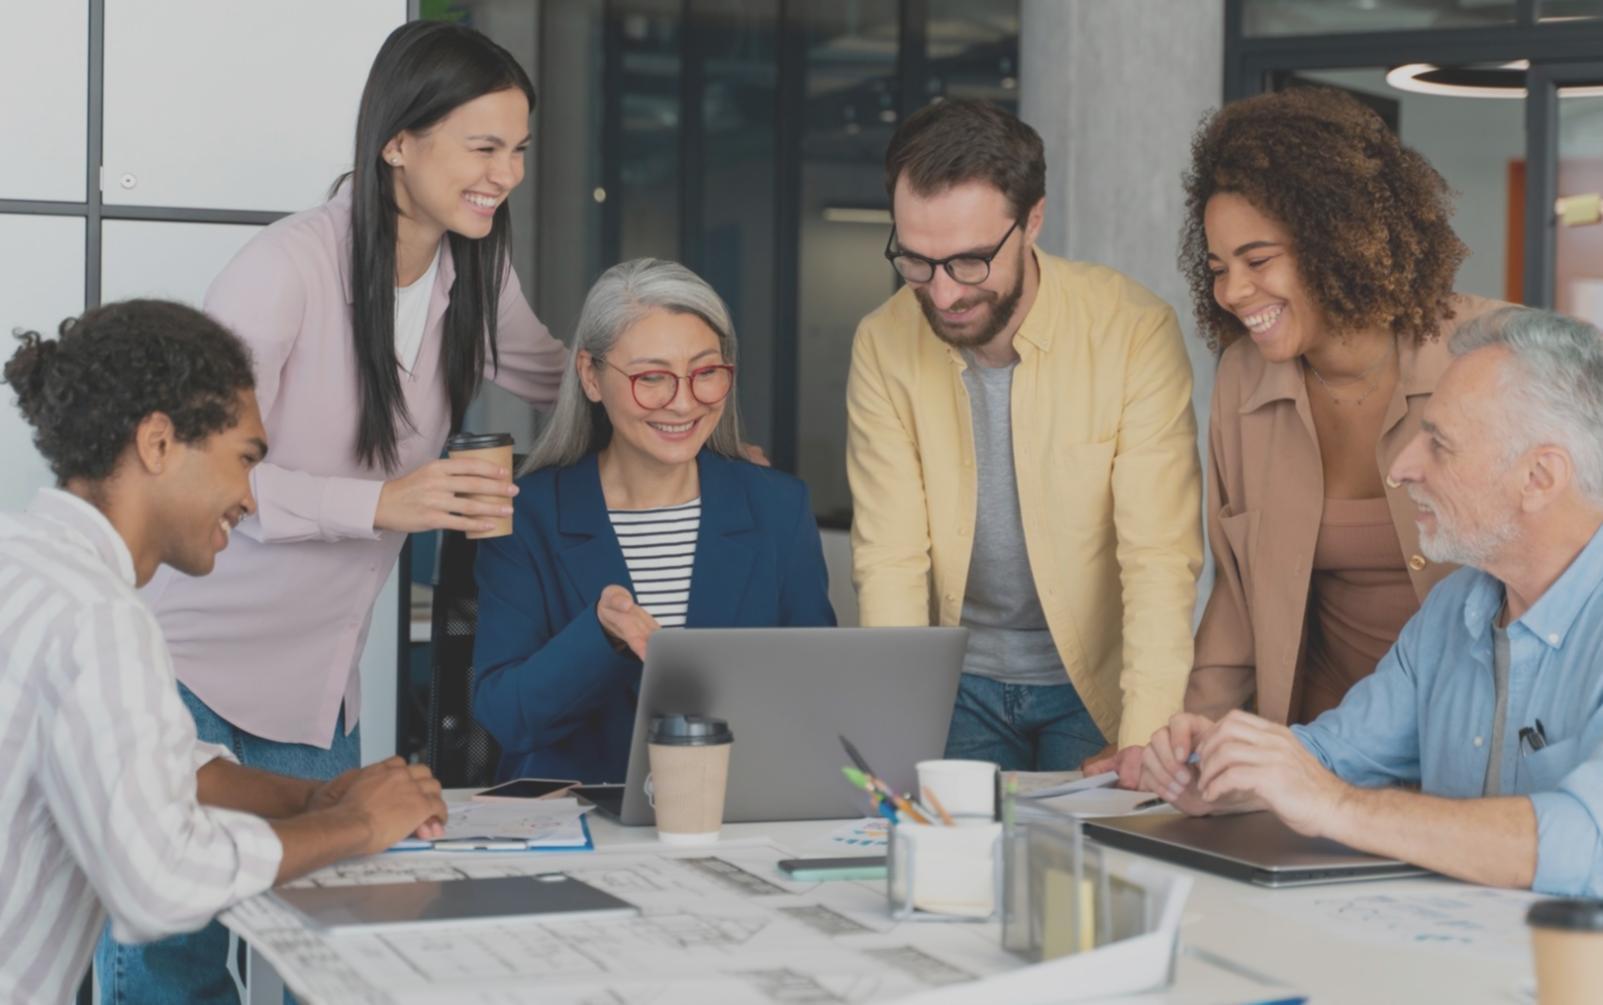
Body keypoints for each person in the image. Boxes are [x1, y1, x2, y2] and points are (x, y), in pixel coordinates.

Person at [99, 21, 567, 1002]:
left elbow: (561, 378)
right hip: (189, 676)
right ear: (398, 141)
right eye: (484, 147)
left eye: (519, 149)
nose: (507, 174)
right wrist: (381, 502)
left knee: (323, 960)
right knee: (172, 968)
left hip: (319, 691)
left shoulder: (474, 275)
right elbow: (188, 467)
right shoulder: (287, 268)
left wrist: (668, 391)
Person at [0, 301, 449, 1005]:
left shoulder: (26, 561)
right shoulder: (99, 616)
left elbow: (163, 767)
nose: (248, 496)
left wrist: (317, 795)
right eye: (244, 459)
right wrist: (355, 824)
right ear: (157, 444)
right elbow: (160, 882)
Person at [1142, 306, 1603, 896]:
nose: (1402, 467)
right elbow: (1333, 756)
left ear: (1540, 478)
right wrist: (1223, 769)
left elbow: (1588, 842)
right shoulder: (1454, 608)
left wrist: (1333, 804)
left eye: (1440, 444)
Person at [847, 99, 1202, 773]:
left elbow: (1158, 556)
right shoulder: (883, 341)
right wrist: (893, 730)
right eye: (915, 261)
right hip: (956, 687)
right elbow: (889, 560)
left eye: (969, 262)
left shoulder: (1132, 331)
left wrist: (1144, 736)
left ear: (1032, 220)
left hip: (1091, 687)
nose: (942, 293)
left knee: (1081, 871)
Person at [1177, 87, 1501, 736]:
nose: (1233, 291)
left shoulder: (1496, 358)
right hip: (1320, 747)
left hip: (1473, 744)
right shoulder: (1243, 377)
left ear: (1340, 238)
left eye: (1257, 260)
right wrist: (1183, 733)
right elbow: (1238, 597)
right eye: (1217, 267)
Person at [471, 259, 835, 782]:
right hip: (581, 816)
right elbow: (507, 716)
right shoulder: (528, 513)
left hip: (736, 811)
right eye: (652, 378)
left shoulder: (777, 507)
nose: (684, 403)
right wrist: (599, 635)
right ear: (591, 377)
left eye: (706, 373)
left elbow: (817, 692)